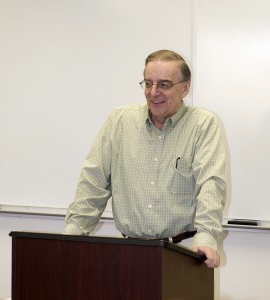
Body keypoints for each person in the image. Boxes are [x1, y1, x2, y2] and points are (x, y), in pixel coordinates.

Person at [65, 50, 227, 268]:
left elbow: (211, 185)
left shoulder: (203, 125)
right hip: (128, 253)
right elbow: (93, 180)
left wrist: (206, 238)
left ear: (185, 88)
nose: (153, 92)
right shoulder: (120, 120)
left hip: (185, 254)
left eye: (164, 84)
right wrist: (71, 234)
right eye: (148, 83)